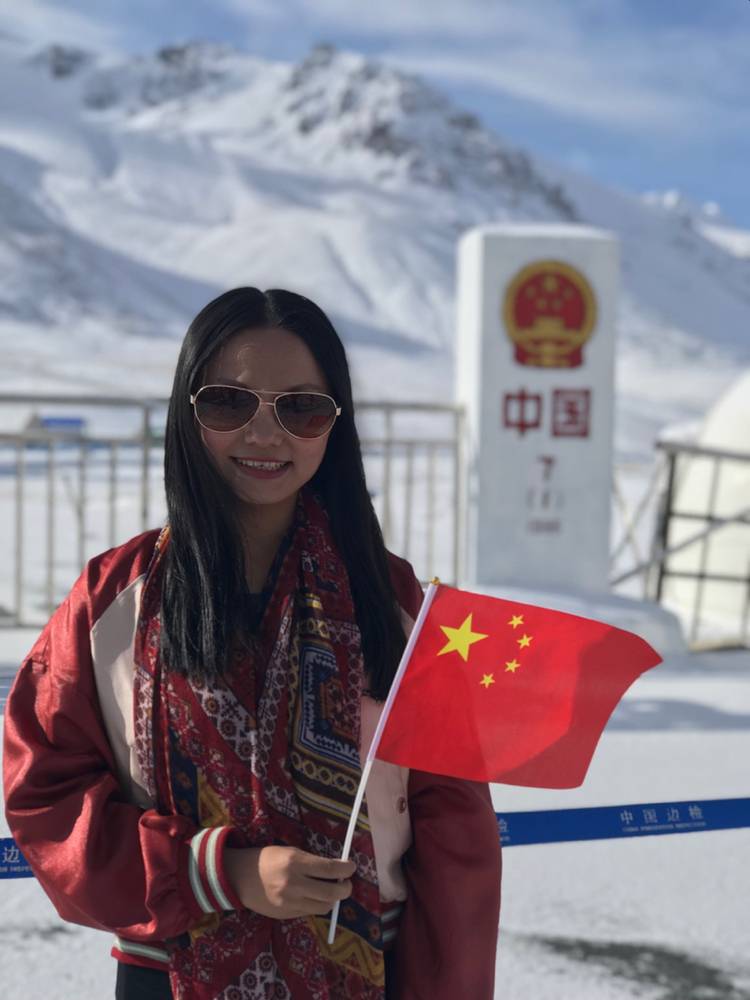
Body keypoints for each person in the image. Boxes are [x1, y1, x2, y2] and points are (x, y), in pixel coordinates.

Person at [3, 287, 501, 1000]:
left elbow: (454, 825)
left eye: (301, 409)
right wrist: (219, 872)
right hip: (169, 975)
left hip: (369, 972)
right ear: (187, 411)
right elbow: (45, 796)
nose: (265, 435)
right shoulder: (115, 599)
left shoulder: (389, 599)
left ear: (336, 424)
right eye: (229, 403)